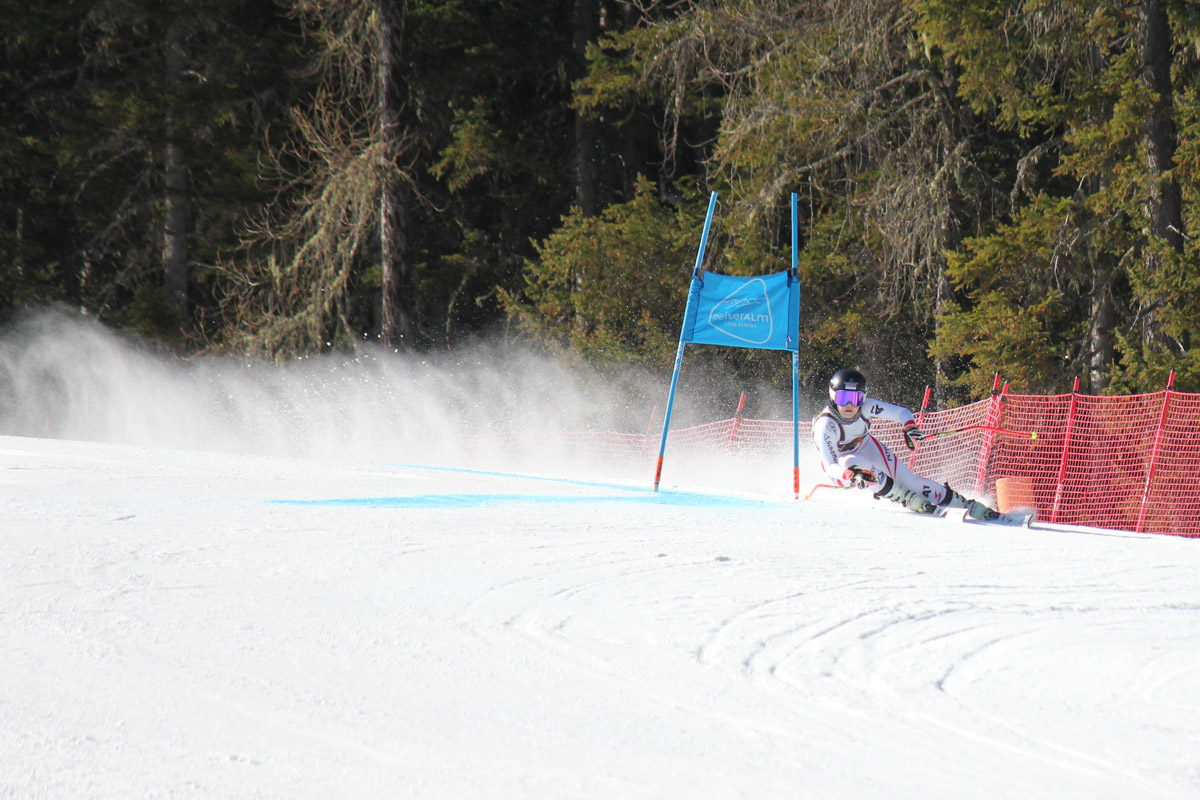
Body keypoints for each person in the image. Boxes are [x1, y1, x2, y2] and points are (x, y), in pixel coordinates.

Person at [813, 368, 1001, 520]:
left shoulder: (866, 407)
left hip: (865, 444)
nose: (849, 405)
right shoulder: (826, 425)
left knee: (911, 482)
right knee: (857, 464)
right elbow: (830, 466)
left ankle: (967, 505)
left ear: (862, 398)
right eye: (843, 398)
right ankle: (904, 497)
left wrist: (910, 427)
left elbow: (901, 413)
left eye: (855, 399)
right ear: (832, 396)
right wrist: (851, 475)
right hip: (841, 467)